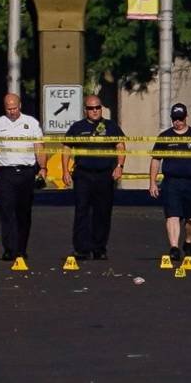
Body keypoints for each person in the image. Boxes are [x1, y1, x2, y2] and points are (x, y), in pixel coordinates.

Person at [0, 93, 47, 261]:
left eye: (15, 108)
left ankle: (21, 249)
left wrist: (43, 168)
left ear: (20, 106)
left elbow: (39, 147)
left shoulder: (31, 123)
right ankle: (10, 249)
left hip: (26, 172)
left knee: (23, 212)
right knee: (6, 211)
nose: (12, 111)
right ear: (5, 107)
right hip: (5, 173)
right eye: (9, 108)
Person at [61, 95, 126, 260]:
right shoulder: (77, 127)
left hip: (105, 174)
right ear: (85, 110)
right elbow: (67, 148)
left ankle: (99, 248)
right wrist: (65, 171)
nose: (95, 111)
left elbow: (120, 146)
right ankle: (81, 249)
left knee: (102, 212)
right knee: (82, 211)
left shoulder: (110, 126)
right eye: (91, 108)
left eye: (97, 107)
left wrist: (119, 166)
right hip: (83, 174)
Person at [148, 103, 191, 262]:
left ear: (186, 117)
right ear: (171, 119)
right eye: (175, 119)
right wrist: (152, 182)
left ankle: (188, 242)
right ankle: (174, 248)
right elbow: (156, 160)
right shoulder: (165, 137)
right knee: (172, 215)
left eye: (181, 118)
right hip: (171, 182)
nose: (178, 122)